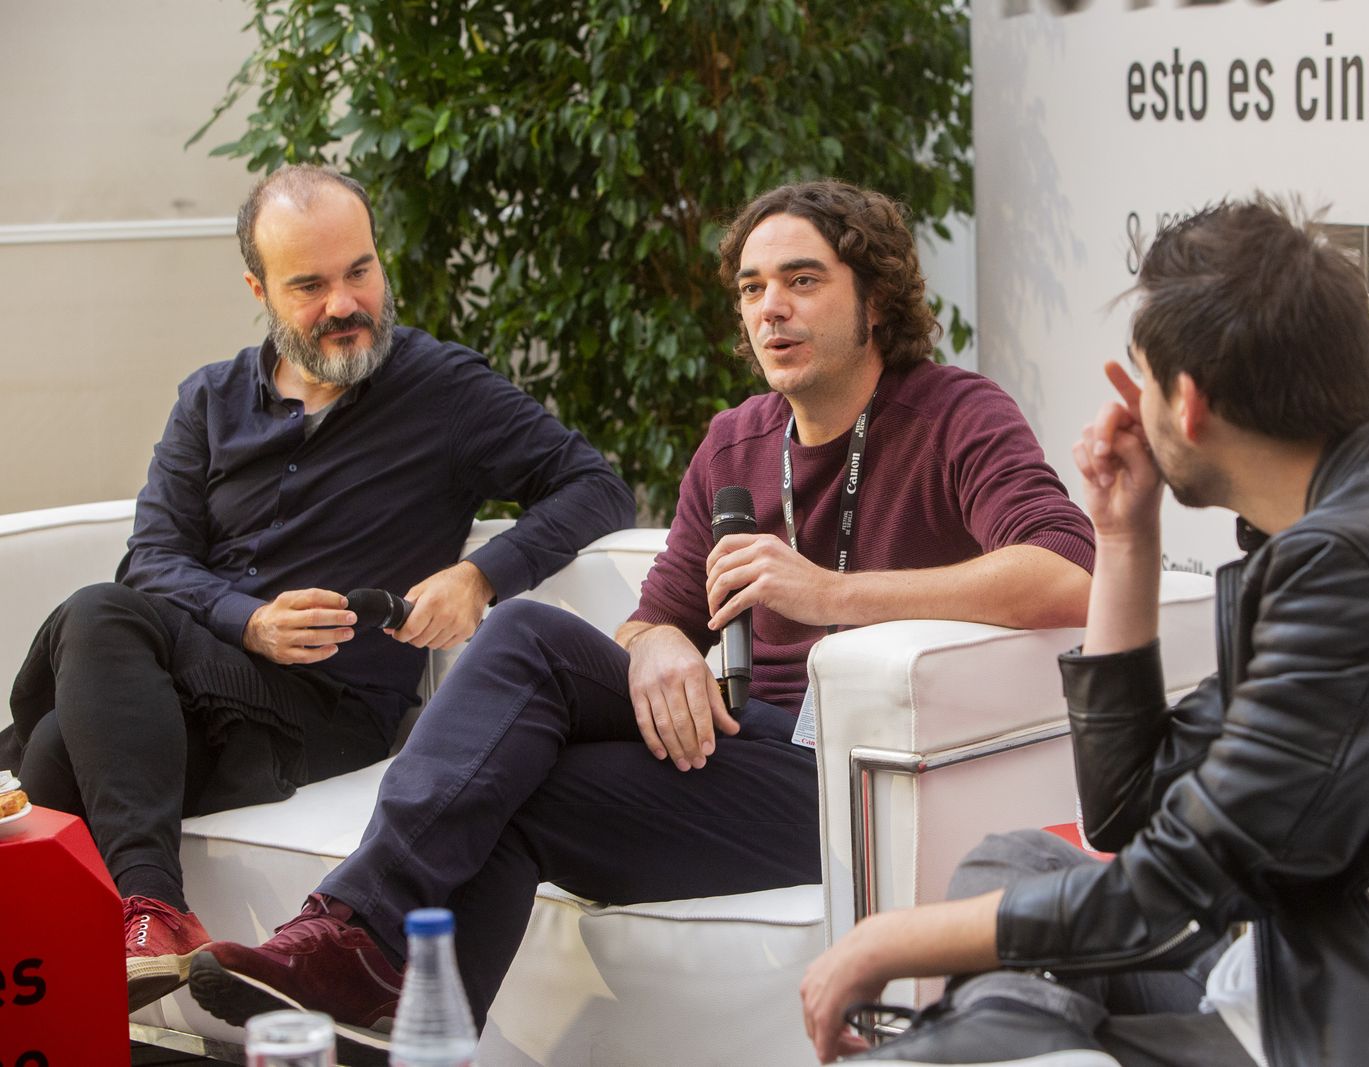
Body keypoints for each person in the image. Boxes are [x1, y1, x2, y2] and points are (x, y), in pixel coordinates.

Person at [188, 179, 1098, 1062]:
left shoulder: (953, 414)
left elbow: (1066, 571)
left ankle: (348, 927)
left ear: (876, 297)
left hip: (854, 781)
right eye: (752, 287)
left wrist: (829, 594)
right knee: (501, 789)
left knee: (521, 633)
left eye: (803, 280)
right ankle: (406, 1029)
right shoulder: (735, 439)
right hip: (739, 749)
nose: (771, 307)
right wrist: (659, 646)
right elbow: (651, 619)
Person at [799, 196, 1369, 1067]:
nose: (1127, 407)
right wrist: (1125, 538)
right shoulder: (1354, 516)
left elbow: (1176, 882)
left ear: (1187, 403)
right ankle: (1005, 1044)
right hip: (1317, 965)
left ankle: (993, 1046)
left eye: (1140, 378)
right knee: (1018, 860)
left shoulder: (1367, 562)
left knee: (992, 968)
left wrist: (889, 941)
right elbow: (1125, 807)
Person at [5, 164, 635, 1014]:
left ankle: (150, 911)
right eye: (309, 284)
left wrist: (481, 573)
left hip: (327, 708)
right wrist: (250, 619)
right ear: (259, 288)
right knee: (55, 744)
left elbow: (594, 484)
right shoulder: (211, 399)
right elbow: (152, 557)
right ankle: (109, 980)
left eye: (359, 271)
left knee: (83, 637)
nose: (344, 303)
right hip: (195, 694)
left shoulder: (443, 390)